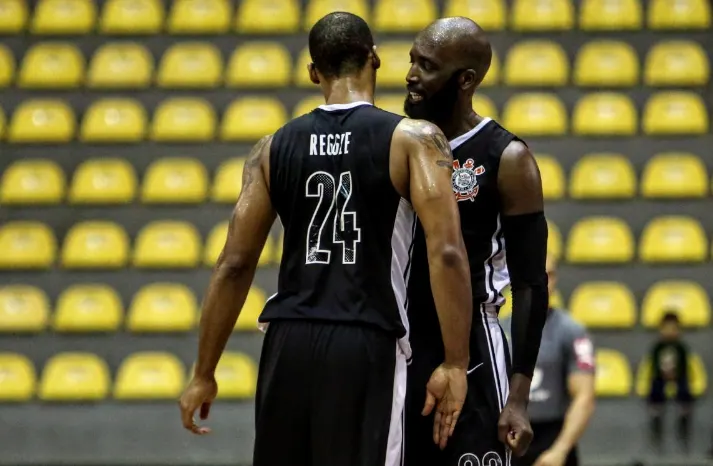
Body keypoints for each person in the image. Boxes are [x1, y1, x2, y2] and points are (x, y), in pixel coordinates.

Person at [178, 12, 474, 466]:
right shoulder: (413, 139)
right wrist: (455, 363)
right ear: (374, 60)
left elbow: (234, 264)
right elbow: (448, 252)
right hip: (365, 338)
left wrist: (204, 371)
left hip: (287, 341)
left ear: (313, 72)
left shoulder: (271, 147)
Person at [403, 17, 549, 466]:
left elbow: (530, 285)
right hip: (400, 346)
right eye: (412, 59)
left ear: (465, 80)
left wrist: (519, 397)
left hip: (474, 353)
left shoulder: (507, 158)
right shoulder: (397, 142)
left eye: (426, 66)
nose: (410, 74)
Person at [502, 254, 596, 466]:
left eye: (550, 275)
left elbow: (584, 397)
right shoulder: (500, 331)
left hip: (553, 439)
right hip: (509, 437)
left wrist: (560, 449)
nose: (543, 281)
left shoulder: (572, 332)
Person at [646, 311, 693, 454]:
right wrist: (664, 374)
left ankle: (684, 412)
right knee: (656, 386)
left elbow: (685, 367)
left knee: (684, 386)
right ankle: (656, 411)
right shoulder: (657, 347)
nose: (669, 332)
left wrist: (675, 374)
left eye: (673, 328)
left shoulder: (681, 348)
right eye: (666, 328)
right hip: (661, 376)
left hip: (678, 376)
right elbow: (654, 366)